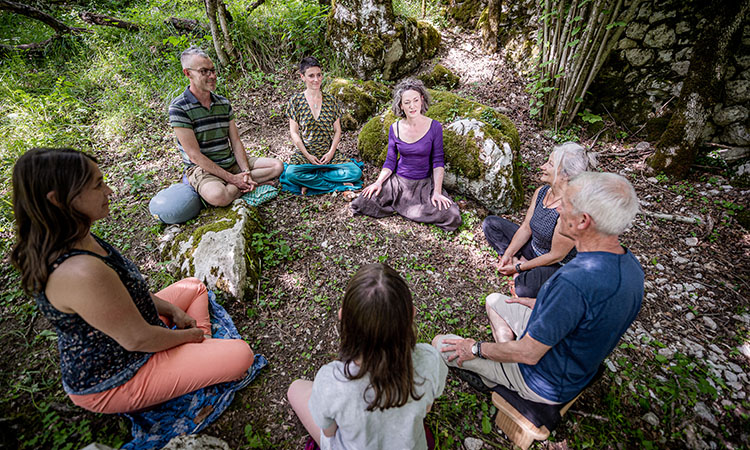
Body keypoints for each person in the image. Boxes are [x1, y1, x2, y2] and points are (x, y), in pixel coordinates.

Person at [10, 148, 255, 414]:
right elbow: (137, 340)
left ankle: (199, 352)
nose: (109, 191)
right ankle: (199, 350)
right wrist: (189, 336)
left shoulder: (77, 234)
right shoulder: (79, 272)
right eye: (97, 185)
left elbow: (128, 291)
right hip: (118, 373)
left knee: (193, 287)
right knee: (241, 355)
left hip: (137, 324)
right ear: (58, 200)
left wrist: (173, 311)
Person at [433, 172, 643, 405]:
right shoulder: (631, 265)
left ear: (583, 221)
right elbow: (590, 315)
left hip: (543, 379)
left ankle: (499, 379)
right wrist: (542, 303)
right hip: (571, 355)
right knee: (495, 300)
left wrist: (474, 348)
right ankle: (502, 362)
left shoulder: (574, 282)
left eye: (565, 204)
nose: (558, 210)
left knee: (441, 344)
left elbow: (529, 353)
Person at [287, 263, 447, 450]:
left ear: (342, 317)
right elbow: (427, 408)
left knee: (295, 388)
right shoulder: (431, 360)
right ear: (411, 315)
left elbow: (329, 432)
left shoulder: (331, 380)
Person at [169, 46, 283, 207]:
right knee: (219, 197)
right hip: (202, 169)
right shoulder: (179, 108)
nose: (212, 76)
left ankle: (243, 184)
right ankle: (245, 186)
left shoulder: (223, 103)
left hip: (230, 162)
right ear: (188, 73)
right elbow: (194, 156)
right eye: (204, 71)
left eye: (213, 70)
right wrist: (233, 179)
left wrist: (245, 172)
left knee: (277, 166)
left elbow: (235, 141)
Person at [482, 142, 596, 297]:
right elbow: (526, 228)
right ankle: (517, 260)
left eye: (549, 164)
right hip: (535, 248)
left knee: (523, 288)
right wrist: (509, 254)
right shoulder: (541, 192)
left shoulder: (572, 209)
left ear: (565, 175)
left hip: (556, 264)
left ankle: (523, 270)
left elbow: (555, 255)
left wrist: (518, 268)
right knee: (491, 224)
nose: (542, 166)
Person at [351, 78, 461, 231]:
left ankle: (402, 207)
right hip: (398, 183)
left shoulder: (434, 126)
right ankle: (404, 206)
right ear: (401, 105)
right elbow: (390, 161)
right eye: (407, 102)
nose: (412, 106)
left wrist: (436, 192)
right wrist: (378, 183)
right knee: (362, 202)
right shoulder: (394, 128)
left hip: (424, 185)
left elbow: (438, 162)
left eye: (415, 100)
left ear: (422, 100)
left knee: (452, 215)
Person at [283, 56, 363, 196]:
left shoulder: (331, 101)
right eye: (311, 76)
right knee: (290, 173)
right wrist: (307, 155)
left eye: (319, 75)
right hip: (306, 153)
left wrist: (331, 152)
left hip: (327, 153)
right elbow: (294, 133)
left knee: (355, 172)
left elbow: (338, 130)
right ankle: (336, 183)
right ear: (303, 77)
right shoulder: (295, 101)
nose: (316, 79)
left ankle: (312, 182)